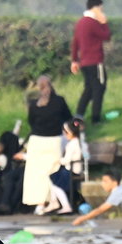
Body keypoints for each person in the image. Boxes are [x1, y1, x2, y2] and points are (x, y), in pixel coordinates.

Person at [21, 75, 73, 209]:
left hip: (37, 141)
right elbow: (68, 118)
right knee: (52, 172)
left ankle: (40, 203)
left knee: (36, 175)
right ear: (51, 85)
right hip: (54, 141)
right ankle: (53, 200)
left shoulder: (33, 104)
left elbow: (31, 122)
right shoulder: (59, 101)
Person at [71, 0, 112, 123]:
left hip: (84, 62)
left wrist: (74, 60)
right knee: (99, 88)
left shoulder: (80, 23)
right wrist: (104, 23)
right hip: (95, 62)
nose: (102, 11)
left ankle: (79, 115)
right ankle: (96, 118)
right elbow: (106, 36)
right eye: (100, 8)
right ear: (95, 8)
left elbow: (75, 42)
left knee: (88, 89)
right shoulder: (93, 22)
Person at [35, 121, 79, 215]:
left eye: (66, 132)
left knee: (54, 181)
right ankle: (53, 202)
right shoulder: (78, 142)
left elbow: (66, 160)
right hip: (73, 169)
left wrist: (57, 160)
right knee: (53, 178)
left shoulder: (72, 144)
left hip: (71, 170)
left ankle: (65, 205)